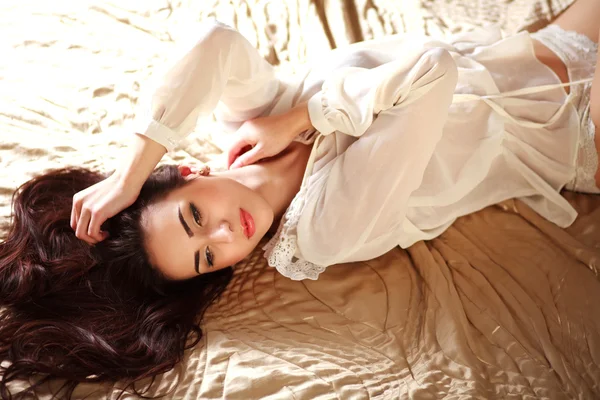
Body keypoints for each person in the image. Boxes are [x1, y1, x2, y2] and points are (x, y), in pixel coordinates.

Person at [1, 0, 599, 397]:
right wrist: (302, 116)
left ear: (185, 171)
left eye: (194, 217)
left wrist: (130, 175)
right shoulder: (325, 228)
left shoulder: (247, 122)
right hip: (573, 128)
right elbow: (429, 72)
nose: (225, 236)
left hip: (538, 54)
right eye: (207, 257)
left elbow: (213, 41)